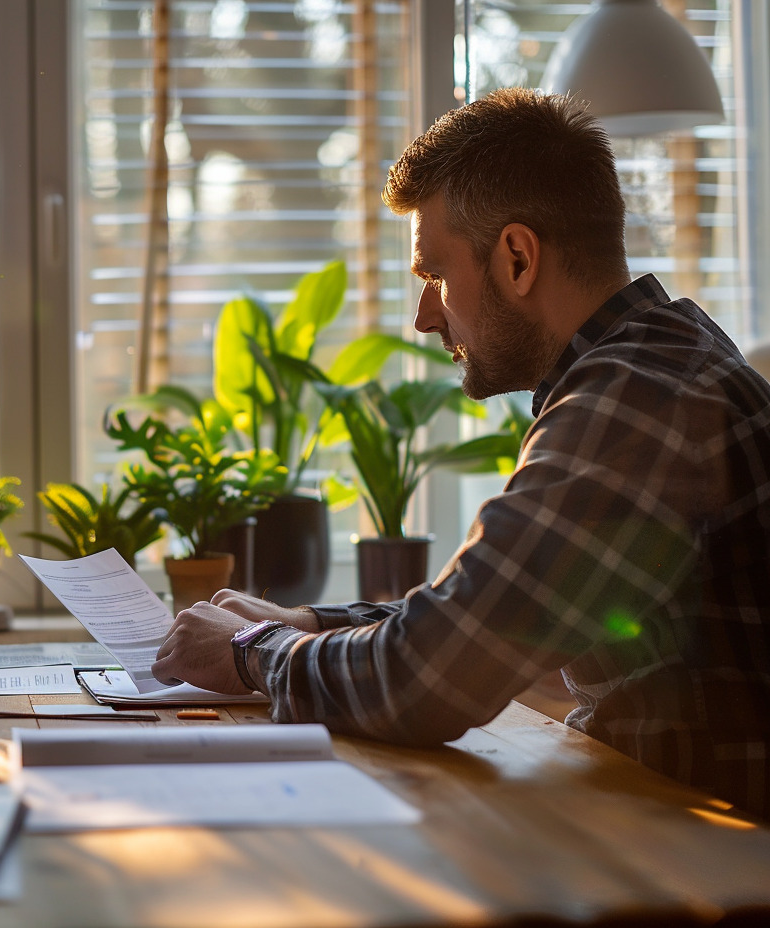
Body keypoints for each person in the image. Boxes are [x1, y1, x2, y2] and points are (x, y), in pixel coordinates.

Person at [152, 87, 770, 819]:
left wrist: (252, 648)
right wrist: (309, 622)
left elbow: (427, 676)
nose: (423, 317)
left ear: (516, 257)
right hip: (668, 832)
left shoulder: (636, 401)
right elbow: (479, 610)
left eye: (435, 275)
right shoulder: (654, 366)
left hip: (714, 865)